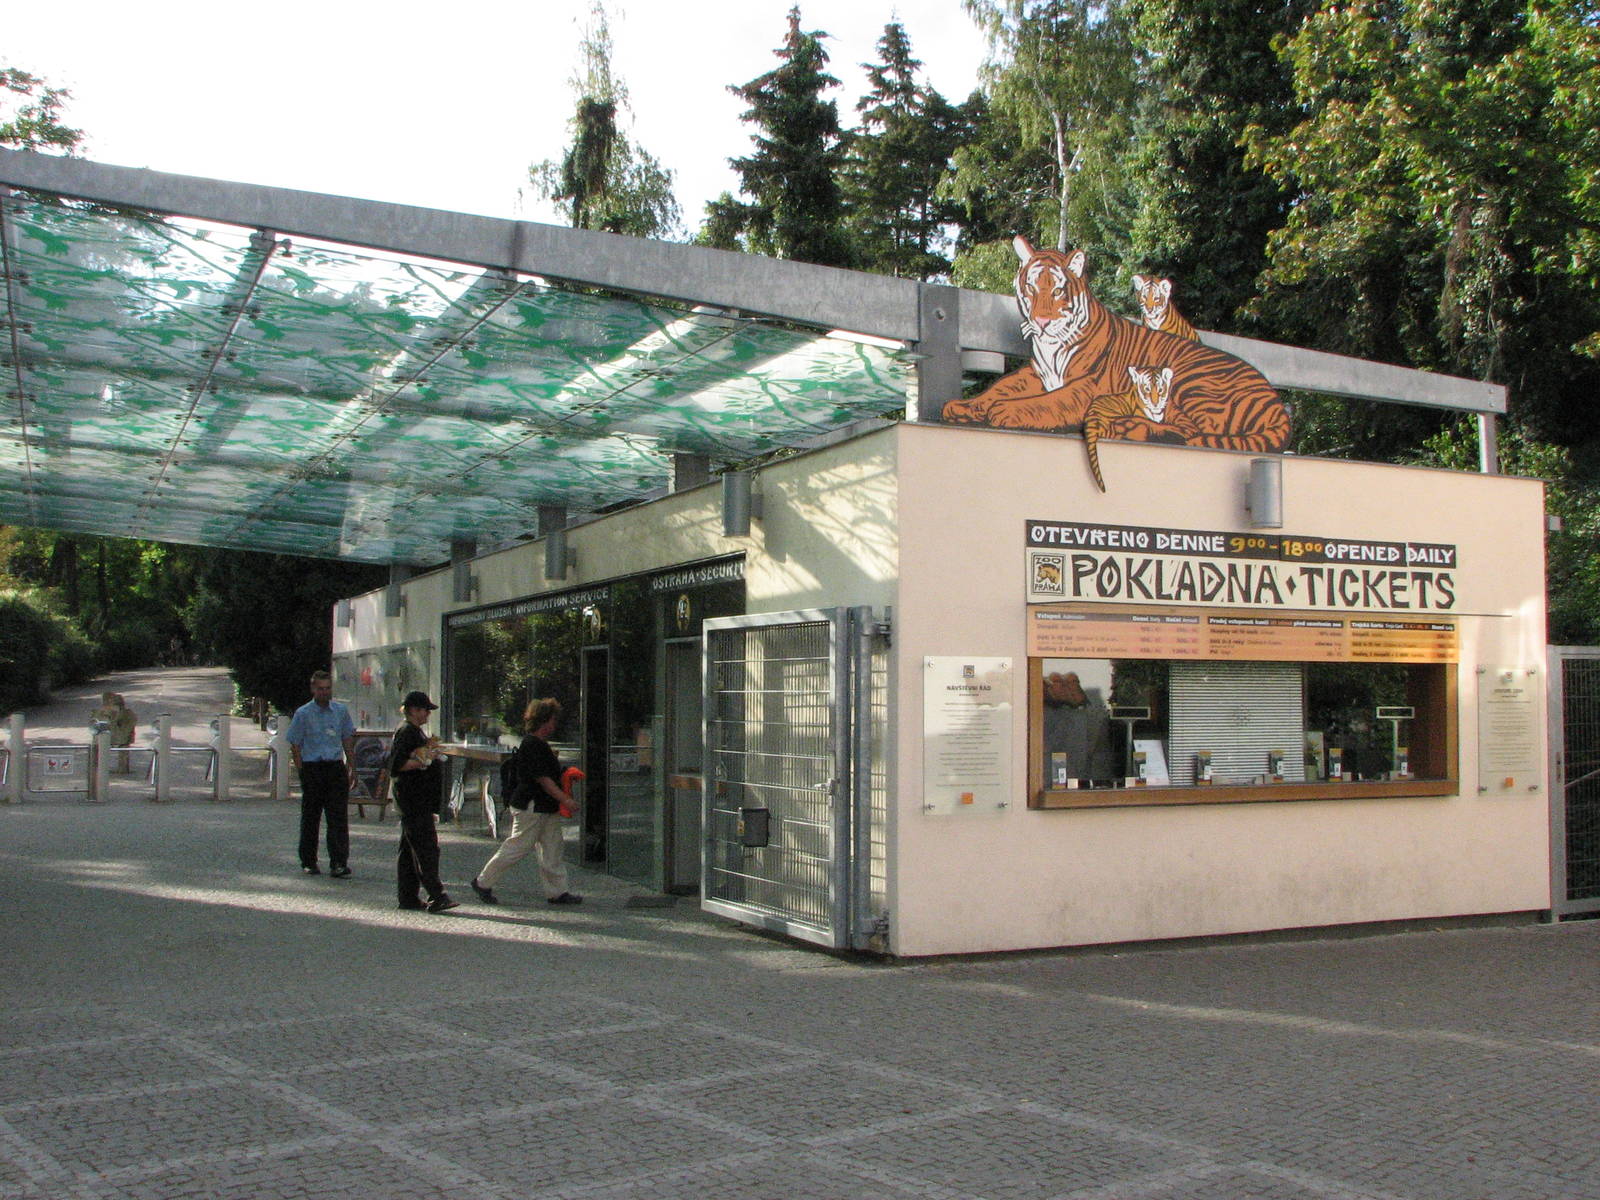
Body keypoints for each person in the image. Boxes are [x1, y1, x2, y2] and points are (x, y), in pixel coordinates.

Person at [470, 697, 582, 906]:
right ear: (545, 720)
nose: (554, 724)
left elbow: (548, 777)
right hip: (533, 804)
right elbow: (544, 779)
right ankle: (483, 881)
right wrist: (566, 799)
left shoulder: (536, 744)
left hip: (543, 805)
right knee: (519, 846)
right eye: (553, 720)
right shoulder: (533, 745)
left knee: (552, 848)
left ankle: (558, 892)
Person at [388, 690, 458, 913]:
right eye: (425, 709)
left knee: (409, 850)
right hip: (413, 798)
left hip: (413, 798)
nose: (428, 713)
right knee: (426, 848)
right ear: (413, 710)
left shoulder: (412, 731)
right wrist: (425, 760)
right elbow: (396, 764)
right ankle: (437, 895)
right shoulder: (407, 731)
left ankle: (407, 896)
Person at [286, 669, 356, 877]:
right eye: (320, 689)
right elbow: (295, 745)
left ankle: (339, 862)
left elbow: (347, 739)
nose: (324, 692)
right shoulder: (303, 713)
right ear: (313, 689)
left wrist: (352, 766)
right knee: (311, 817)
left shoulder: (340, 711)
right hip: (313, 768)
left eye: (327, 688)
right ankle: (308, 860)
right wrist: (302, 772)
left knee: (338, 818)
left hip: (334, 767)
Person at [91, 692, 137, 773]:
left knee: (123, 746)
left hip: (120, 738)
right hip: (107, 737)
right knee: (95, 745)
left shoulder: (128, 715)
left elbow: (129, 728)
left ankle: (122, 768)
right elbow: (95, 726)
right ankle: (96, 767)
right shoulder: (100, 714)